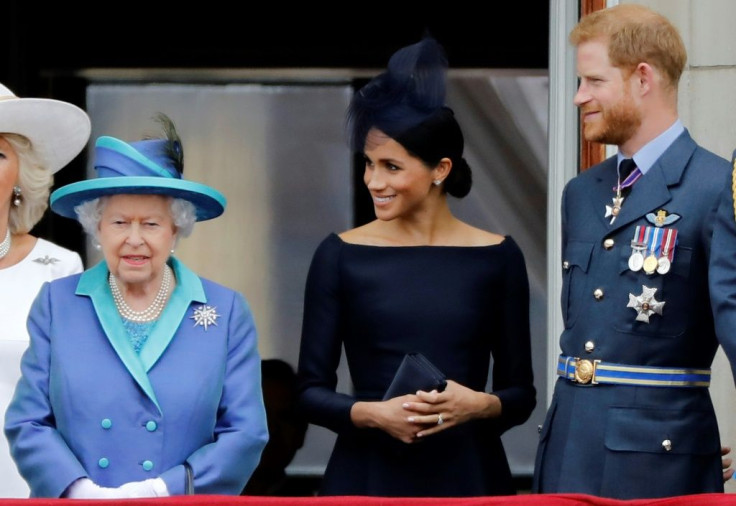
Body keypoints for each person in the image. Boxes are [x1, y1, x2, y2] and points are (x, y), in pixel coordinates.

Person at [296, 37, 536, 497]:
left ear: (440, 169)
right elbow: (309, 392)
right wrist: (372, 414)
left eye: (391, 166)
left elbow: (520, 395)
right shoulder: (340, 254)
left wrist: (478, 404)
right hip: (366, 477)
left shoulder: (499, 256)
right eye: (369, 164)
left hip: (470, 477)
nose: (373, 181)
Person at [4, 114, 268, 498]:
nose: (134, 239)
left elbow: (245, 433)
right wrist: (79, 490)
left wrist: (162, 489)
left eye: (151, 224)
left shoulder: (225, 312)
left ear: (176, 228)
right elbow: (27, 421)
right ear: (97, 228)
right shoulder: (57, 304)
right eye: (119, 222)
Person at [533, 4, 732, 499]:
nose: (579, 97)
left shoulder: (715, 187)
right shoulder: (581, 192)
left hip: (657, 460)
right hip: (567, 446)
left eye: (593, 81)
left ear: (642, 78)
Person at [0, 82, 88, 497]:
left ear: (21, 177)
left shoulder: (58, 268)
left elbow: (76, 395)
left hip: (25, 482)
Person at [242, 359, 309, 496]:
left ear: (301, 431)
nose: (271, 429)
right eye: (261, 416)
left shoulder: (311, 501)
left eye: (285, 417)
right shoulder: (197, 494)